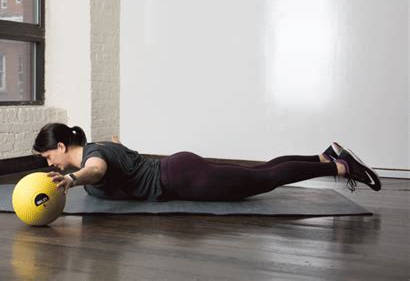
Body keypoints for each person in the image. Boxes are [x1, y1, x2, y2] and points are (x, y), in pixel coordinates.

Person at [32, 123, 381, 201]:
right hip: (179, 166)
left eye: (49, 156)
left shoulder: (92, 159)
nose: (53, 164)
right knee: (259, 172)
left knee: (265, 179)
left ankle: (342, 167)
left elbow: (97, 171)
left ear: (62, 146)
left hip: (182, 178)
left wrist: (74, 181)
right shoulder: (98, 145)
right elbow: (112, 154)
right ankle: (324, 156)